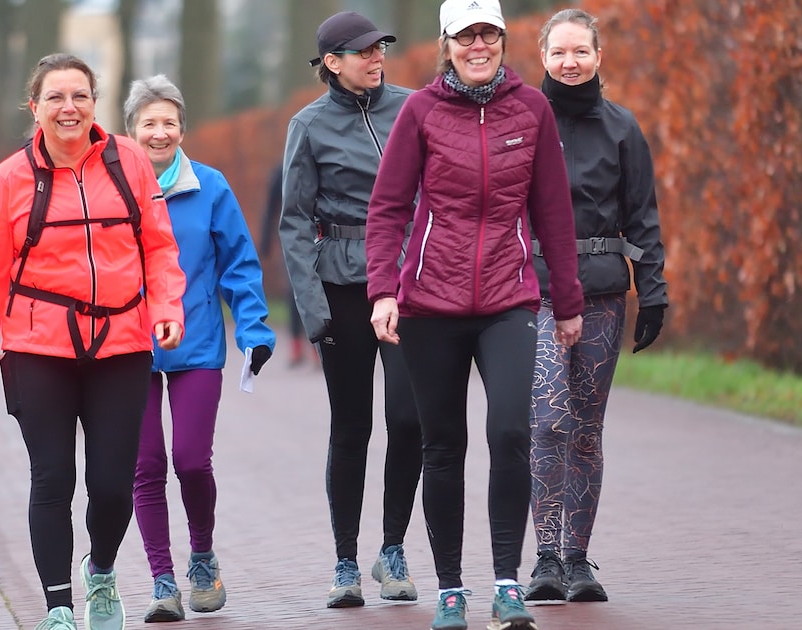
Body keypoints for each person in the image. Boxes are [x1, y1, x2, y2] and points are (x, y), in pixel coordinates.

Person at [364, 1, 585, 629]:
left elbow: (553, 214)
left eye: (488, 34)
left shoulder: (532, 110)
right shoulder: (421, 111)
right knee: (443, 446)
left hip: (507, 299)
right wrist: (384, 289)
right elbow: (387, 209)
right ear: (448, 44)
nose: (478, 46)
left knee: (513, 432)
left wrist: (565, 302)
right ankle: (453, 589)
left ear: (503, 40)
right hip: (430, 303)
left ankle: (508, 583)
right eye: (466, 37)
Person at [0, 53, 186, 630]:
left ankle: (101, 574)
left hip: (122, 343)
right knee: (53, 478)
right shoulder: (11, 178)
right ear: (34, 108)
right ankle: (58, 609)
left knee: (112, 485)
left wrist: (166, 308)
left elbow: (158, 246)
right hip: (39, 350)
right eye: (55, 97)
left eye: (80, 95)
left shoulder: (128, 161)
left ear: (94, 102)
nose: (69, 107)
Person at [524, 8, 669, 604]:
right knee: (546, 421)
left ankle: (577, 560)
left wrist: (653, 289)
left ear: (598, 57)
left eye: (581, 51)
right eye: (559, 52)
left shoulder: (623, 129)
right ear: (543, 57)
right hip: (534, 292)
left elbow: (643, 216)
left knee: (585, 431)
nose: (569, 62)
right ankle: (545, 557)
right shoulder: (523, 123)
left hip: (604, 293)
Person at [279, 10, 423, 609]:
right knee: (353, 426)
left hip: (411, 285)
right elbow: (293, 222)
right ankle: (344, 561)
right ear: (332, 63)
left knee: (410, 420)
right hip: (342, 288)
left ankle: (392, 548)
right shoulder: (307, 126)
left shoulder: (415, 109)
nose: (376, 58)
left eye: (380, 48)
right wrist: (315, 314)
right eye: (362, 51)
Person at [122, 74, 276, 623]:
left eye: (169, 122)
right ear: (131, 130)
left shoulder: (210, 186)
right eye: (148, 123)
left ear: (182, 129)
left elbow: (239, 265)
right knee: (144, 465)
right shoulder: (111, 189)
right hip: (127, 347)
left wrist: (254, 330)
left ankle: (203, 558)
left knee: (189, 460)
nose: (159, 133)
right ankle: (162, 580)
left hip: (197, 341)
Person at [258, 165, 314, 368]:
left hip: (318, 236)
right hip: (291, 239)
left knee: (317, 291)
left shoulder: (317, 164)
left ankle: (317, 348)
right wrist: (265, 243)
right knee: (295, 291)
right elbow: (271, 208)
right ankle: (296, 347)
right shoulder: (283, 169)